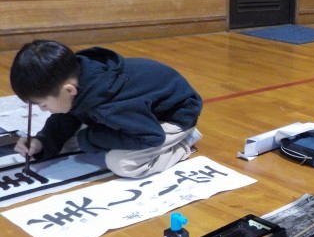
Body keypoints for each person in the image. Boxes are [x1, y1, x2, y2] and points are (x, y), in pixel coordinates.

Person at [10, 40, 203, 178]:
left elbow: (151, 137)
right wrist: (42, 141)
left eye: (43, 104)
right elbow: (67, 115)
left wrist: (91, 138)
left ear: (68, 90)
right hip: (140, 117)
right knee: (70, 139)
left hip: (174, 116)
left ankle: (184, 142)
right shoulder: (77, 78)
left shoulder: (111, 106)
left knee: (122, 163)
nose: (43, 110)